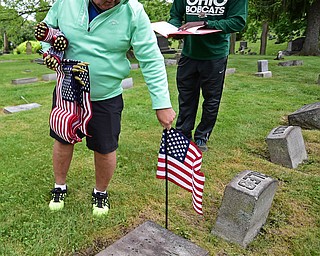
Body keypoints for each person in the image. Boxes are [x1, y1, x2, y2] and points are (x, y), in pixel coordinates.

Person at [40, 0, 176, 216]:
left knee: (105, 147)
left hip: (106, 95)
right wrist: (49, 52)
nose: (109, 1)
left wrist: (162, 103)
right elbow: (47, 30)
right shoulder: (66, 3)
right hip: (67, 89)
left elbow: (150, 58)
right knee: (63, 139)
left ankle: (100, 192)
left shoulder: (133, 12)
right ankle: (59, 186)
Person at [168, 0, 248, 152]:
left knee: (211, 99)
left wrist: (205, 23)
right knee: (186, 97)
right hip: (189, 53)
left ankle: (202, 136)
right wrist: (174, 28)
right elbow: (175, 15)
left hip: (215, 55)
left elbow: (237, 22)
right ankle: (183, 134)